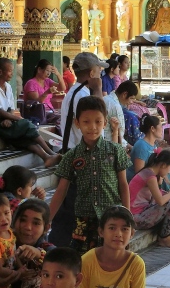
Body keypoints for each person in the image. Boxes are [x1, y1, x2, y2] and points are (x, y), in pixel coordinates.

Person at [50, 96, 131, 254]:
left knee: (113, 259)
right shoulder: (71, 156)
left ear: (105, 123)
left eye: (98, 121)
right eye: (86, 122)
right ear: (77, 123)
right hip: (83, 220)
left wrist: (128, 217)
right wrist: (47, 219)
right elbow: (61, 191)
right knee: (84, 262)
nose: (92, 127)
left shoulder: (115, 151)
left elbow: (123, 185)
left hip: (112, 218)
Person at [52, 53, 107, 246]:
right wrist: (98, 89)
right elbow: (100, 122)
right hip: (80, 156)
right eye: (99, 70)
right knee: (75, 208)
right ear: (92, 72)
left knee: (69, 207)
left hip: (71, 152)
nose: (101, 73)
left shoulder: (75, 92)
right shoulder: (83, 95)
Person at [0, 58, 61, 167]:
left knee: (24, 138)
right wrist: (18, 119)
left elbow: (11, 108)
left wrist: (9, 118)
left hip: (6, 120)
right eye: (10, 71)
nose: (12, 74)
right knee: (27, 124)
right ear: (0, 72)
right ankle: (51, 153)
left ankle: (46, 158)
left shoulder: (8, 87)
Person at [129, 149, 170, 248]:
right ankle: (164, 238)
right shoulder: (149, 176)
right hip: (137, 218)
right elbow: (160, 201)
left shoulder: (149, 173)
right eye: (169, 169)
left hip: (143, 212)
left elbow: (159, 195)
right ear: (163, 165)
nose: (169, 172)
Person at [127, 114, 170, 206]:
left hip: (150, 177)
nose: (162, 129)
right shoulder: (141, 146)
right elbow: (139, 172)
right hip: (141, 181)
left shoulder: (153, 145)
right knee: (164, 177)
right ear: (152, 129)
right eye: (160, 127)